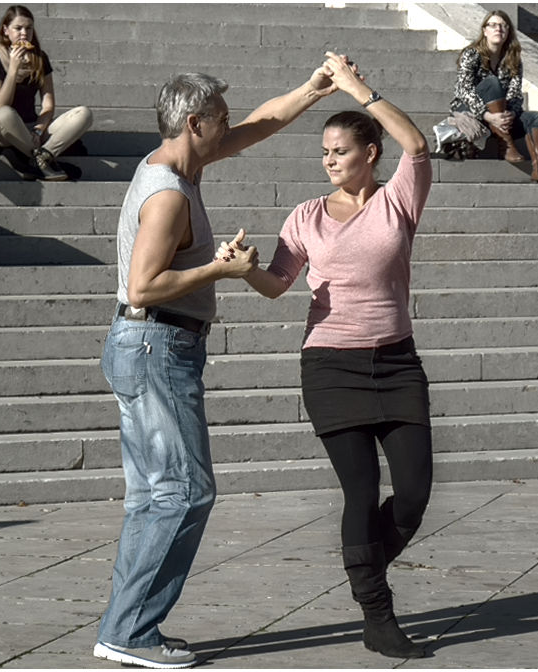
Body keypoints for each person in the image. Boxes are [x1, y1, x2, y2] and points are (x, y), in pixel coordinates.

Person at [93, 64, 343, 669]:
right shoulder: (168, 194)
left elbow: (262, 122)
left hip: (152, 347)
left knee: (155, 497)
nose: (230, 127)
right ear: (193, 123)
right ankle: (129, 632)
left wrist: (314, 89)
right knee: (184, 492)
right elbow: (143, 286)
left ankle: (123, 629)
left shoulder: (183, 163)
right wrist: (220, 270)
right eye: (219, 120)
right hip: (155, 345)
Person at [219, 51, 432, 659]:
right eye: (323, 152)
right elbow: (277, 285)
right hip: (331, 366)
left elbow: (417, 144)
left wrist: (356, 87)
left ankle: (358, 559)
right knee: (361, 495)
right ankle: (376, 610)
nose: (329, 160)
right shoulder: (306, 215)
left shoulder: (399, 199)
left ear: (368, 152)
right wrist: (245, 271)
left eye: (339, 150)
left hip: (397, 362)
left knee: (413, 496)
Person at [449, 9, 538, 183]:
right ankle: (506, 144)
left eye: (503, 26)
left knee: (536, 117)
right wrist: (488, 115)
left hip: (502, 118)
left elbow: (515, 95)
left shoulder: (513, 58)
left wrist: (512, 114)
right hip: (472, 112)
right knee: (493, 83)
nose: (498, 29)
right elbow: (464, 90)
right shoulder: (471, 54)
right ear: (485, 31)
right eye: (492, 25)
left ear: (508, 31)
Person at [0, 5, 92, 181]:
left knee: (84, 114)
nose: (24, 33)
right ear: (6, 30)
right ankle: (46, 160)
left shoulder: (40, 58)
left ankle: (43, 156)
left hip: (32, 129)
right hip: (3, 129)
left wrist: (38, 130)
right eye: (18, 28)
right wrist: (13, 69)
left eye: (29, 28)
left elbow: (48, 105)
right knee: (5, 113)